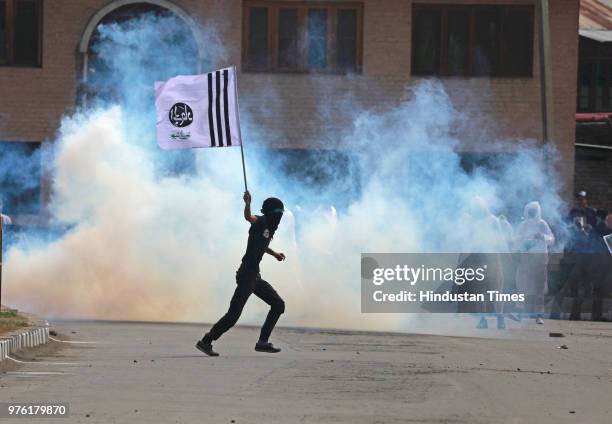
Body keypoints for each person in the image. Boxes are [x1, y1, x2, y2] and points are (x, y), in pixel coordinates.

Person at [196, 191, 287, 356]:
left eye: (281, 213)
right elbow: (248, 218)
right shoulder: (261, 221)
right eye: (277, 213)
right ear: (270, 212)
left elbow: (261, 245)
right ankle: (206, 341)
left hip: (254, 276)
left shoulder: (269, 228)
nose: (279, 216)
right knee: (233, 315)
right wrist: (247, 204)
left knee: (278, 305)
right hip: (246, 275)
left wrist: (274, 254)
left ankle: (262, 342)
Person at [514, 202, 555, 324]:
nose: (531, 213)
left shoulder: (542, 224)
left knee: (539, 288)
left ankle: (539, 315)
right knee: (522, 285)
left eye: (533, 211)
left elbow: (552, 240)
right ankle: (519, 313)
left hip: (540, 259)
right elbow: (515, 239)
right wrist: (523, 242)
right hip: (526, 258)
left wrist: (542, 236)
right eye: (530, 211)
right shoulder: (523, 225)